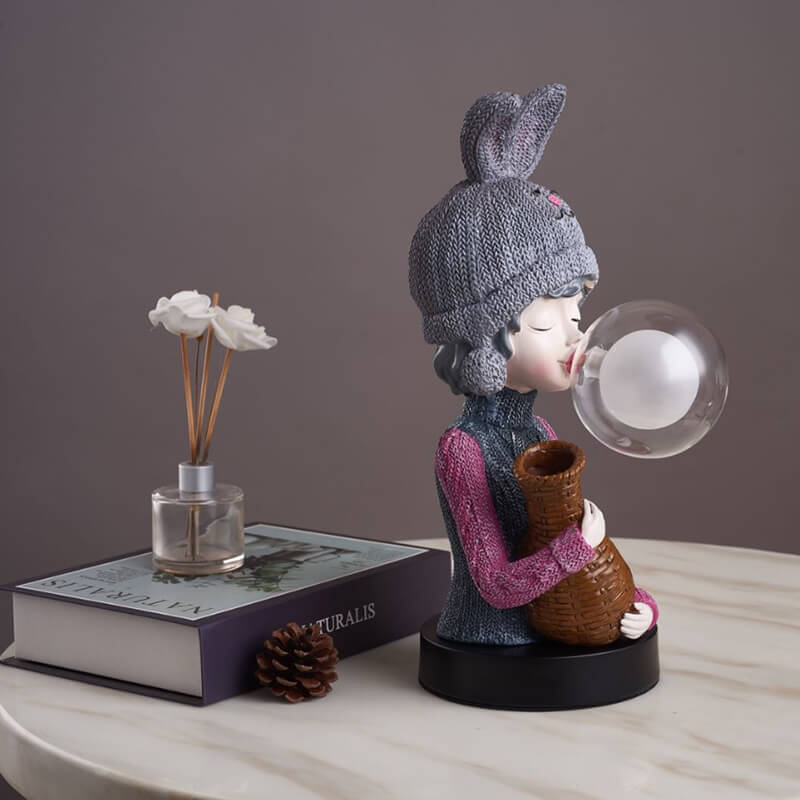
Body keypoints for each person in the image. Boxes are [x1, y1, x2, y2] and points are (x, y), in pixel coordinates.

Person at [408, 84, 658, 645]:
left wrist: (633, 601)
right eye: (546, 323)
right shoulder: (462, 449)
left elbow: (570, 547)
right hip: (491, 638)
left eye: (578, 313)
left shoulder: (540, 431)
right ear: (485, 337)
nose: (576, 335)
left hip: (561, 625)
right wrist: (577, 548)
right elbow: (497, 584)